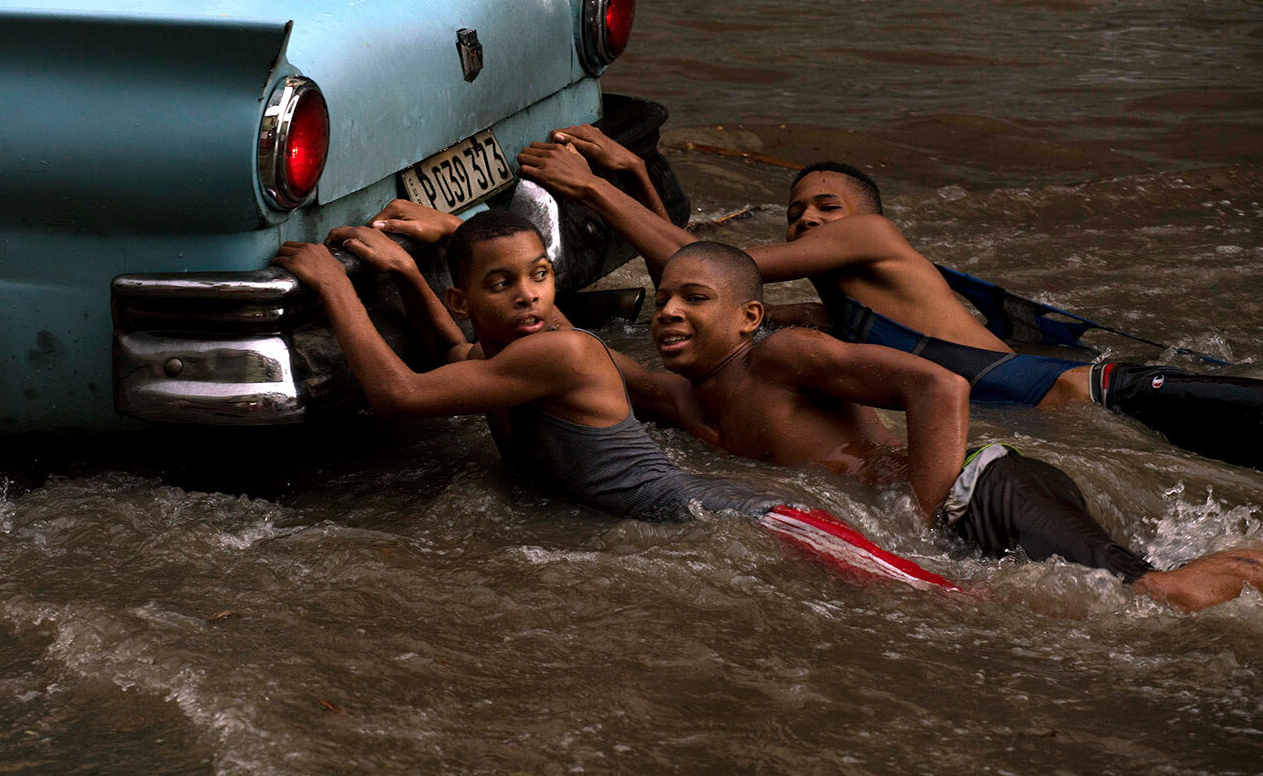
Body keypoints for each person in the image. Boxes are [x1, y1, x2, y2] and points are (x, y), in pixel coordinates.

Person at [273, 210, 957, 591]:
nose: (528, 294)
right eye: (502, 283)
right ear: (465, 299)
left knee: (953, 603)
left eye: (540, 277)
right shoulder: (496, 360)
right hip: (727, 514)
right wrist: (401, 272)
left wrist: (334, 286)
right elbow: (455, 354)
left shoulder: (559, 354)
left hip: (762, 519)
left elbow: (397, 394)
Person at [516, 129, 1263, 468]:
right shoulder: (834, 316)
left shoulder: (869, 234)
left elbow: (715, 264)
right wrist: (637, 170)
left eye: (824, 206)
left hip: (1106, 398)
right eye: (797, 211)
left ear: (862, 212)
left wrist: (592, 187)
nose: (809, 218)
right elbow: (696, 284)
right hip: (1061, 412)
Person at [619, 239, 1263, 612]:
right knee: (1138, 586)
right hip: (986, 497)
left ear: (749, 316)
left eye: (694, 299)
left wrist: (928, 521)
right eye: (662, 301)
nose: (669, 312)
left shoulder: (779, 354)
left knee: (1159, 597)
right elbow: (599, 368)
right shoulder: (691, 400)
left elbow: (937, 383)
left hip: (979, 491)